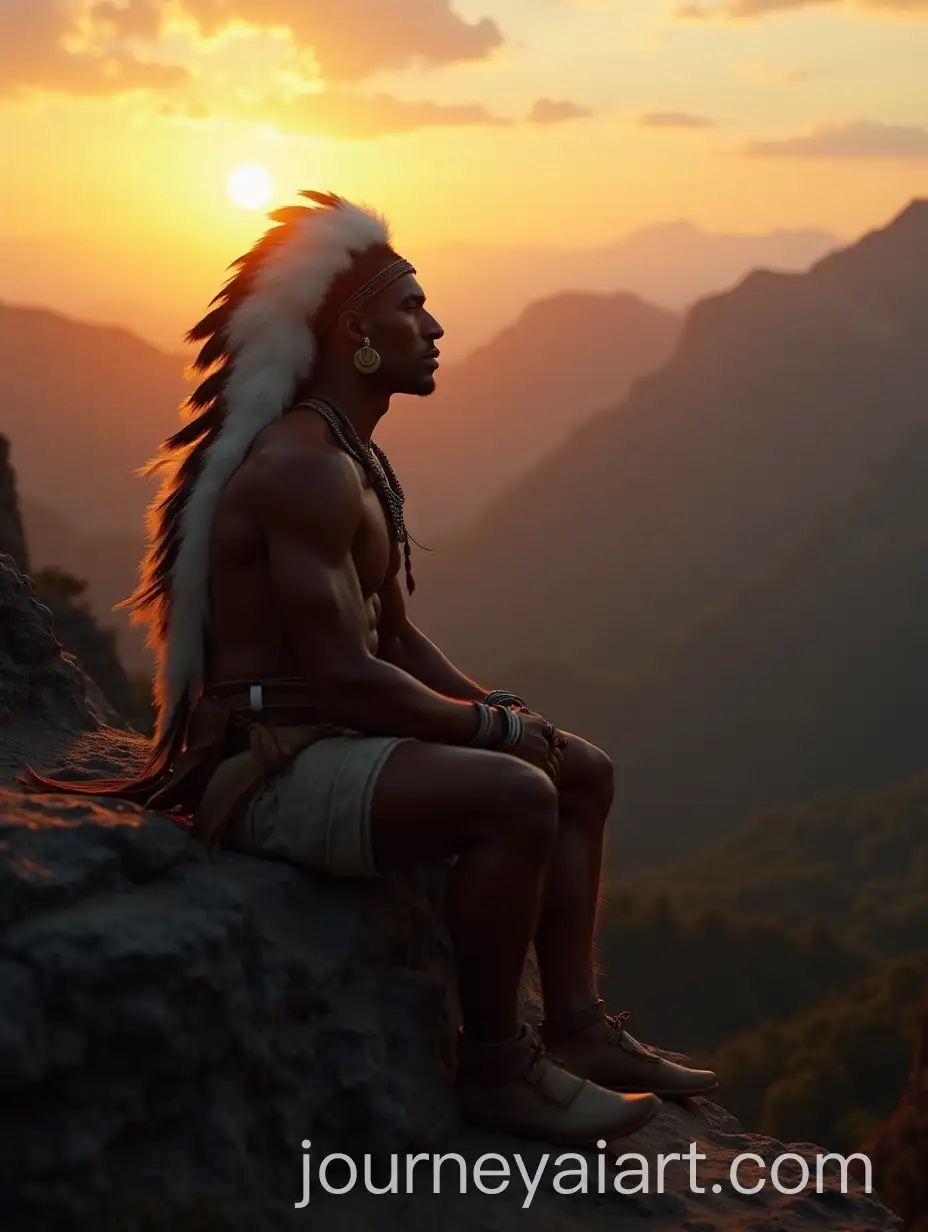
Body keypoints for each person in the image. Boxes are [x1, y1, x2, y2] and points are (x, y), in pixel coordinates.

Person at [22, 191, 717, 1146]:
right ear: (355, 328)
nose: (434, 328)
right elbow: (349, 678)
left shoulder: (351, 457)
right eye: (412, 310)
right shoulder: (303, 468)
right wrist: (492, 733)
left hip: (329, 736)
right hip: (272, 766)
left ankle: (579, 1029)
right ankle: (496, 1068)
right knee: (515, 796)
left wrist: (502, 711)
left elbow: (393, 639)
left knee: (580, 769)